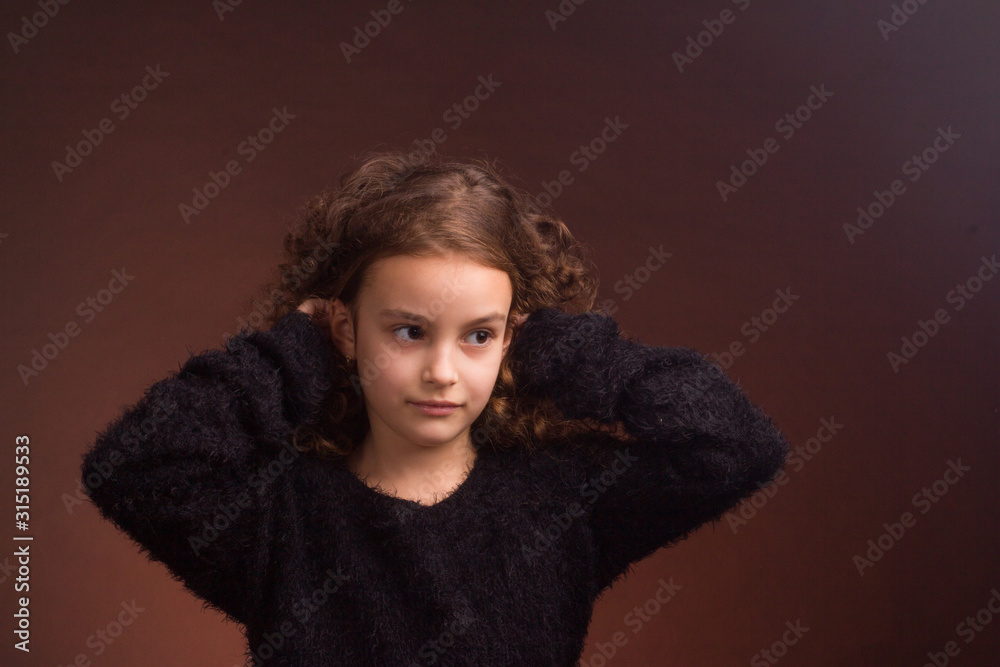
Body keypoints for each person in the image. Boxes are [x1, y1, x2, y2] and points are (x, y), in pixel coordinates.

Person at [79, 149, 792, 666]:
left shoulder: (563, 498)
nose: (443, 372)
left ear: (512, 337)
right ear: (345, 330)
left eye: (477, 335)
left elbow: (736, 445)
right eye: (409, 331)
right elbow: (133, 465)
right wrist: (291, 350)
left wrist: (563, 350)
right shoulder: (279, 514)